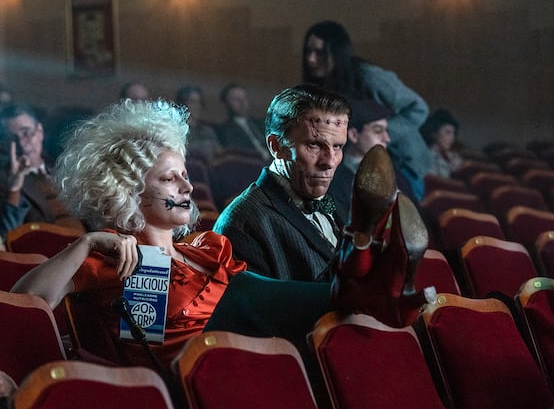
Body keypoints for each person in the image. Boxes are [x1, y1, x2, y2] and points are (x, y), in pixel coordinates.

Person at [11, 98, 430, 369]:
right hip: (184, 371)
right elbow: (25, 302)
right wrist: (84, 243)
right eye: (169, 180)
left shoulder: (206, 248)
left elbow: (272, 307)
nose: (187, 188)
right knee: (239, 290)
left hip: (247, 360)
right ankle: (364, 270)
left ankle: (358, 265)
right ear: (130, 192)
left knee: (256, 292)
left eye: (186, 176)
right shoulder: (113, 259)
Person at [213, 84, 349, 281]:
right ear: (276, 146)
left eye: (337, 146)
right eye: (314, 144)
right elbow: (256, 310)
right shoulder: (241, 222)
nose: (329, 161)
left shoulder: (337, 206)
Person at [302, 20, 431, 201]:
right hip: (362, 167)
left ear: (337, 54)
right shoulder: (319, 86)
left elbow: (418, 109)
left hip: (403, 165)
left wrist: (376, 134)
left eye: (320, 53)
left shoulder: (368, 76)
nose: (311, 59)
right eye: (309, 51)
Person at [0, 103, 83, 238]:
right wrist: (14, 188)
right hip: (51, 252)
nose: (22, 143)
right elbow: (7, 236)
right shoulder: (6, 180)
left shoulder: (63, 164)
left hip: (90, 241)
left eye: (26, 133)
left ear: (40, 131)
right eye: (13, 138)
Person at [215, 82, 272, 163]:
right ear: (226, 104)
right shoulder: (223, 130)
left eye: (244, 98)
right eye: (236, 99)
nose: (242, 102)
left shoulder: (262, 124)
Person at [175, 84, 222, 162]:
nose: (197, 106)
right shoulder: (176, 130)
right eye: (193, 102)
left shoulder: (207, 130)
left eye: (199, 102)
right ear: (183, 104)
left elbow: (219, 150)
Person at [420, 108, 464, 178]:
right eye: (447, 132)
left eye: (453, 133)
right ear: (434, 133)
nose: (452, 138)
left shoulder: (454, 157)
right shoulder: (425, 155)